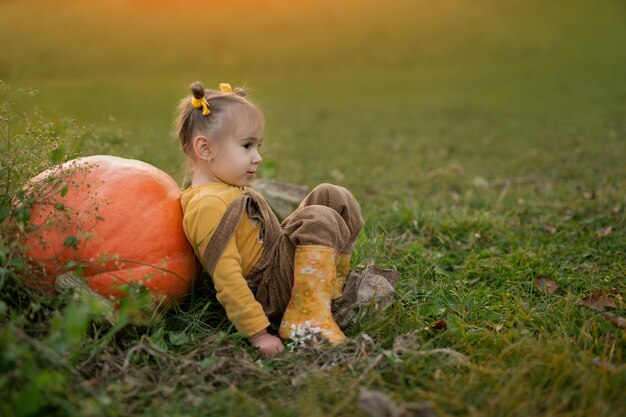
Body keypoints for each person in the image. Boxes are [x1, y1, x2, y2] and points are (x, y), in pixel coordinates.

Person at [176, 81, 363, 357]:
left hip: (277, 265)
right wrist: (258, 333)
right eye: (247, 146)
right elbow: (226, 277)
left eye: (258, 146)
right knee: (318, 217)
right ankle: (304, 317)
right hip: (268, 291)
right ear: (205, 149)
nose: (258, 157)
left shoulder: (225, 187)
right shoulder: (207, 205)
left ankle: (328, 292)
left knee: (333, 196)